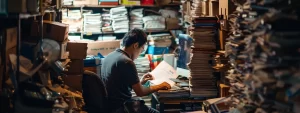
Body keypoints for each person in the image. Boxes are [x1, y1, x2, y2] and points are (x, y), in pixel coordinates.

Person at [101, 28, 171, 113]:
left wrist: (140, 82)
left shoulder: (110, 56)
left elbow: (120, 87)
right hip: (124, 107)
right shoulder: (127, 62)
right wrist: (160, 86)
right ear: (136, 45)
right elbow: (140, 92)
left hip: (112, 107)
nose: (140, 53)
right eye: (142, 49)